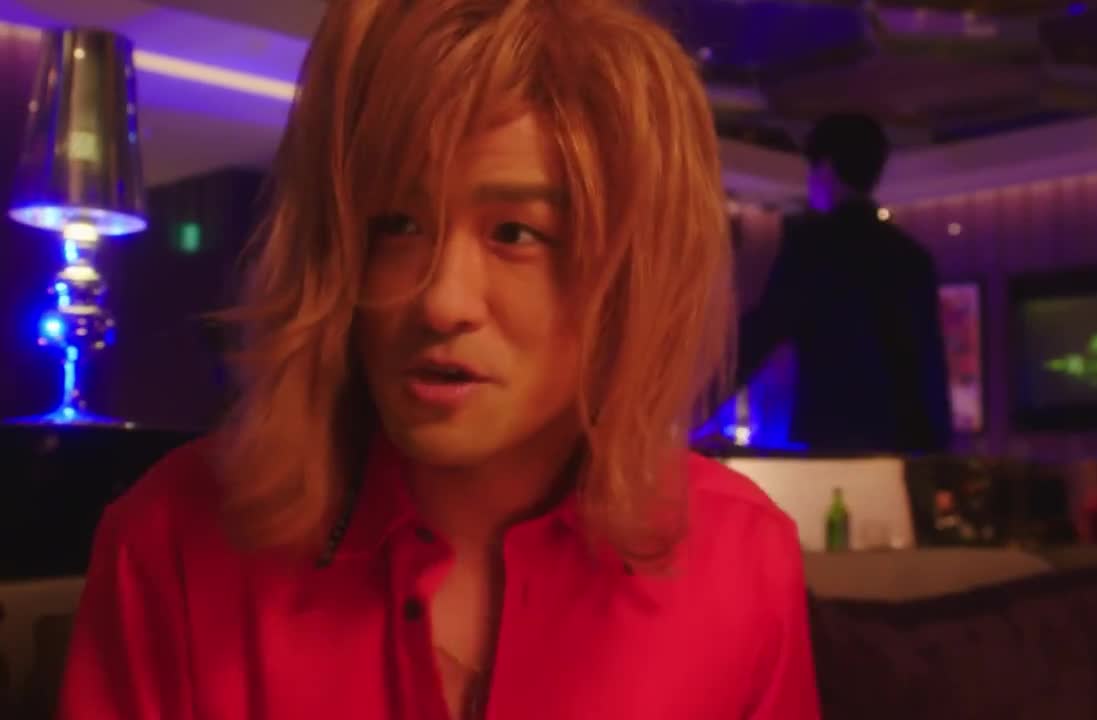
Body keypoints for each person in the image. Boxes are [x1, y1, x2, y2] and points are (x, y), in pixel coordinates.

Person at [58, 1, 820, 719]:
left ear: (635, 278)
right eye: (396, 224)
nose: (440, 300)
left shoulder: (738, 560)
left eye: (516, 233)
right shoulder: (174, 538)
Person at [736, 113, 952, 454]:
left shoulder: (812, 246)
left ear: (826, 168)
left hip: (834, 431)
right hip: (904, 437)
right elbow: (930, 362)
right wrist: (938, 447)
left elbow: (764, 330)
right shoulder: (911, 257)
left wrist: (694, 397)